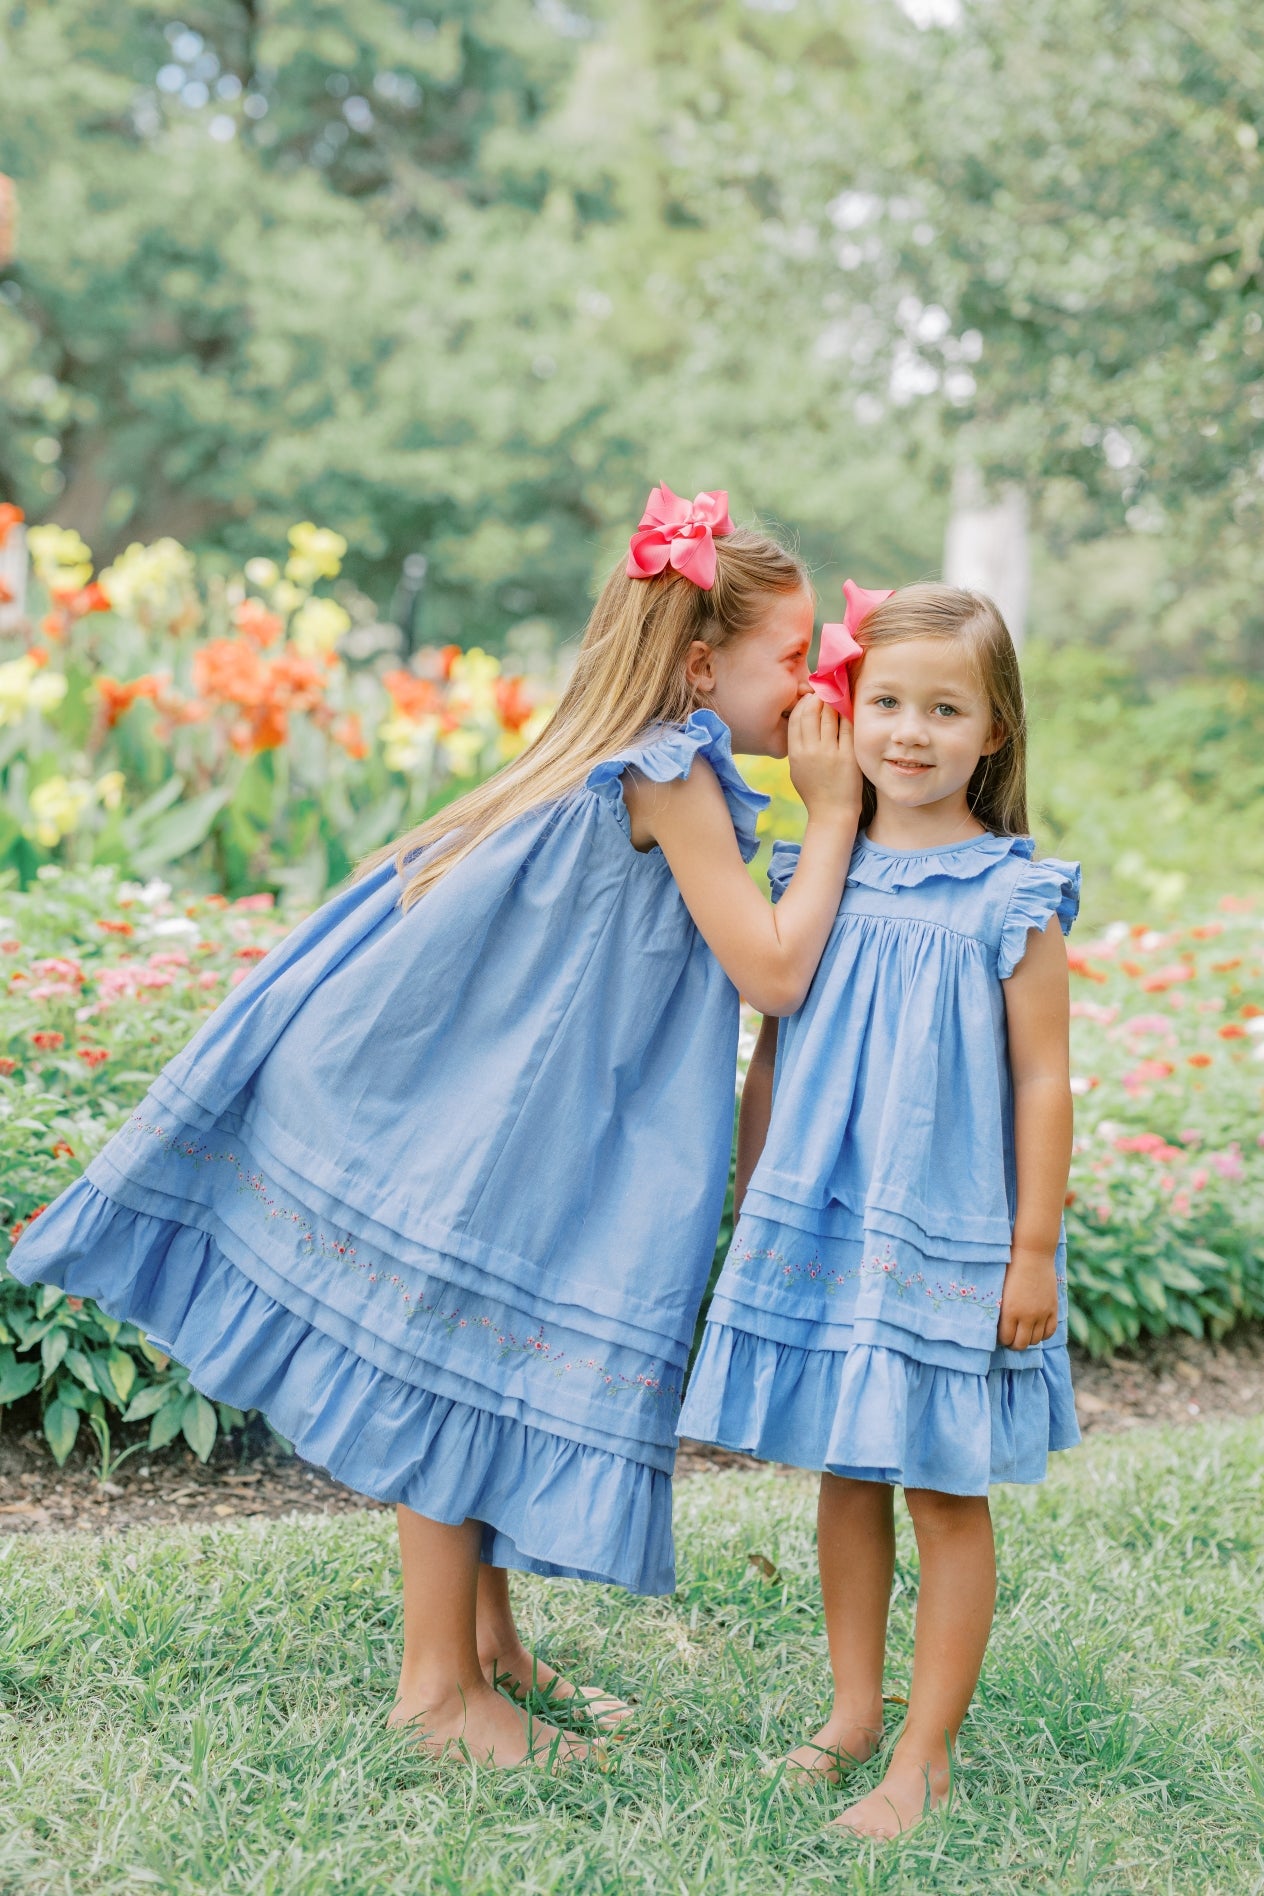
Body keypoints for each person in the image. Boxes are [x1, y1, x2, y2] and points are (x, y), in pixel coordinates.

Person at [10, 484, 862, 1769]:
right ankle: (434, 1694)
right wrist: (836, 808)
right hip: (512, 1132)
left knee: (494, 1363)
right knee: (464, 1365)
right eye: (791, 661)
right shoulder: (675, 771)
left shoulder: (627, 757)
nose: (812, 689)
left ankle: (494, 1652)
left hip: (528, 1113)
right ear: (699, 668)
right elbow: (775, 976)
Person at [679, 580, 1080, 1836]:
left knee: (940, 1487)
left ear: (993, 732)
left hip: (950, 1231)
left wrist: (1031, 1253)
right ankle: (852, 1711)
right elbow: (773, 1052)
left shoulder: (1009, 896)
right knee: (845, 1474)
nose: (910, 731)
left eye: (944, 709)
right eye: (887, 701)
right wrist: (757, 1206)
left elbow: (1041, 1077)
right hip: (827, 1220)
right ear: (845, 712)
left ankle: (926, 1752)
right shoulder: (819, 869)